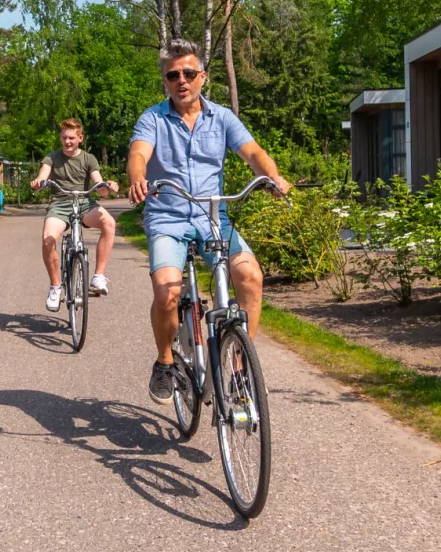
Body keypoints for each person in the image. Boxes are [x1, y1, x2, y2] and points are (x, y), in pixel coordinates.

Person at [127, 38, 290, 405]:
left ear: (203, 76)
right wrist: (137, 177)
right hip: (167, 217)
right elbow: (139, 153)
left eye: (188, 73)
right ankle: (165, 362)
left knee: (250, 276)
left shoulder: (222, 118)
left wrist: (273, 177)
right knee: (168, 293)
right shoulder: (152, 118)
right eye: (173, 75)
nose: (181, 80)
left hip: (213, 218)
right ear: (165, 81)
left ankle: (238, 364)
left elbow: (253, 152)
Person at [29, 118, 119, 311]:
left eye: (71, 138)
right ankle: (55, 287)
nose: (67, 141)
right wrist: (39, 182)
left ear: (80, 138)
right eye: (64, 138)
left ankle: (97, 277)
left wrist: (107, 186)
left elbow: (98, 184)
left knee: (109, 224)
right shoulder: (52, 157)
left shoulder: (89, 158)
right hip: (60, 204)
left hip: (85, 203)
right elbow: (43, 176)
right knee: (48, 239)